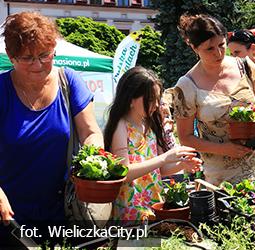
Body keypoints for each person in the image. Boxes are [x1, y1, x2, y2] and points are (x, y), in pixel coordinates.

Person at [0, 12, 104, 226]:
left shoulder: (69, 81)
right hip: (9, 213)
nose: (38, 64)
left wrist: (92, 161)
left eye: (45, 55)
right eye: (27, 58)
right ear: (11, 57)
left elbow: (90, 132)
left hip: (63, 210)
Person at [172, 14, 255, 185]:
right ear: (194, 48)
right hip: (224, 174)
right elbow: (185, 136)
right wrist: (224, 149)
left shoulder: (245, 65)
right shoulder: (186, 86)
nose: (218, 53)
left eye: (221, 45)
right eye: (209, 49)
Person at [104, 66, 202, 221]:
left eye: (158, 99)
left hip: (155, 204)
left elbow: (159, 170)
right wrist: (165, 158)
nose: (156, 105)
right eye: (151, 99)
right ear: (130, 99)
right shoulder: (121, 126)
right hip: (131, 210)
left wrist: (183, 165)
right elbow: (123, 173)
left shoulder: (150, 125)